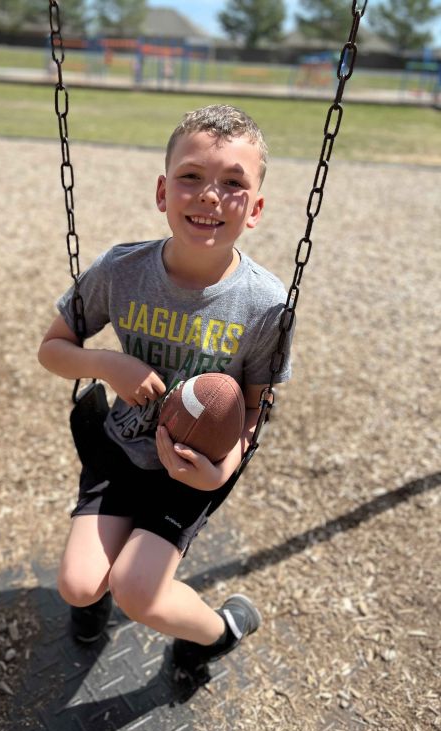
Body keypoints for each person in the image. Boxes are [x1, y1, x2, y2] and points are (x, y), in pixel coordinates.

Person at [38, 104, 293, 670]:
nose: (209, 195)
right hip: (122, 449)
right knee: (79, 585)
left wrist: (221, 470)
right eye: (191, 177)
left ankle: (216, 633)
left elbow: (255, 408)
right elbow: (52, 350)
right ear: (161, 191)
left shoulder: (265, 303)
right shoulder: (123, 270)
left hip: (193, 466)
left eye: (232, 184)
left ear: (254, 210)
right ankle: (94, 596)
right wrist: (107, 364)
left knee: (138, 589)